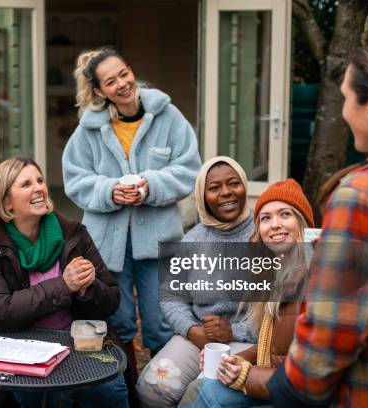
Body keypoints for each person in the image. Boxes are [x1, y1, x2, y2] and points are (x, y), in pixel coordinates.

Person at [267, 37, 368, 407]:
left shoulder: (365, 195)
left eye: (346, 98)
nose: (344, 110)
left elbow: (329, 338)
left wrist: (288, 388)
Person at [62, 46, 202, 369]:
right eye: (111, 82)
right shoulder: (88, 128)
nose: (123, 83)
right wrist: (109, 190)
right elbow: (75, 179)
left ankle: (162, 386)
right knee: (118, 317)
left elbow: (190, 169)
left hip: (158, 239)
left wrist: (150, 185)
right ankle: (127, 387)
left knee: (163, 318)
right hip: (108, 241)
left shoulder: (168, 116)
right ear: (99, 91)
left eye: (124, 73)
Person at [0, 158, 128, 408]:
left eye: (40, 180)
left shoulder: (73, 233)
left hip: (79, 344)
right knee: (39, 398)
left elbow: (110, 301)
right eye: (26, 184)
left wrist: (87, 288)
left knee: (109, 391)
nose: (39, 188)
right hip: (21, 349)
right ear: (6, 200)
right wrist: (64, 286)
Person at [178, 178, 315, 408]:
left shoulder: (315, 279)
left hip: (297, 396)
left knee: (206, 395)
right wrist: (235, 360)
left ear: (303, 223)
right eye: (266, 218)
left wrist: (245, 375)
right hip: (274, 379)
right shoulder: (275, 272)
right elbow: (272, 348)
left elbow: (311, 375)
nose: (275, 225)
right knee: (199, 387)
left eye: (285, 214)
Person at [137, 156, 257, 408]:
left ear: (245, 186)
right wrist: (193, 331)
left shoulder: (264, 233)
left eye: (233, 183)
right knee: (153, 387)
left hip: (248, 341)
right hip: (198, 336)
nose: (226, 193)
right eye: (214, 188)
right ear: (202, 195)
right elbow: (172, 298)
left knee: (201, 395)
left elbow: (278, 312)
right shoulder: (192, 239)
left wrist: (233, 331)